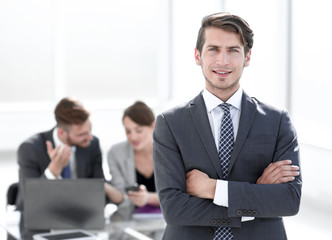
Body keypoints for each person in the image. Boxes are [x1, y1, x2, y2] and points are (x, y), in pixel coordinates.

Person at [153, 12, 302, 240]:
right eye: (213, 49)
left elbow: (289, 200)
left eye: (233, 50)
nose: (223, 61)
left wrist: (213, 189)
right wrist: (255, 197)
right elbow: (174, 209)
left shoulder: (277, 120)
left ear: (247, 57)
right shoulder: (170, 123)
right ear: (197, 55)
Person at [16, 97, 122, 240]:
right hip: (41, 227)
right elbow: (27, 202)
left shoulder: (92, 145)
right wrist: (53, 171)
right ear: (62, 133)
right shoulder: (30, 149)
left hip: (80, 224)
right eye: (82, 134)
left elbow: (98, 188)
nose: (89, 137)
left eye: (89, 131)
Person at [107, 101, 160, 221]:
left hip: (165, 221)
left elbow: (177, 196)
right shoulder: (116, 153)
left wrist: (147, 198)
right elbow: (121, 196)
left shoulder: (170, 151)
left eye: (139, 130)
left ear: (153, 126)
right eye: (128, 131)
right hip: (129, 220)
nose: (133, 137)